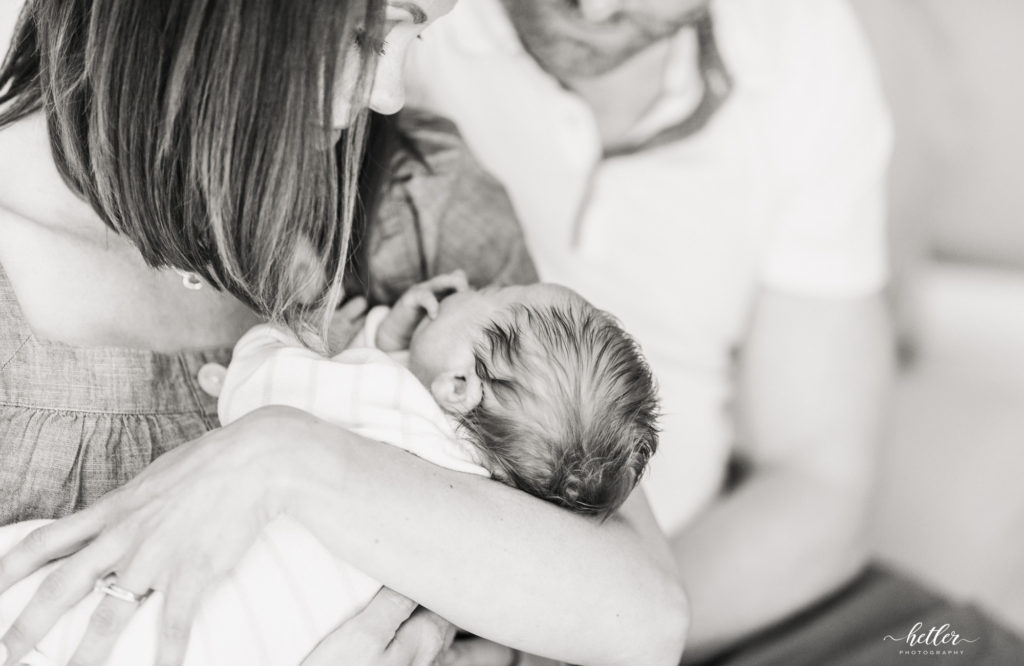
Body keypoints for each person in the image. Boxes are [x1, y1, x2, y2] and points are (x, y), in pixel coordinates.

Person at [0, 1, 688, 666]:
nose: (389, 93)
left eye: (419, 36)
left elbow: (646, 620)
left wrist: (285, 455)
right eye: (370, 33)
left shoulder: (420, 197)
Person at [405, 0, 894, 661]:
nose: (597, 7)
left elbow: (819, 487)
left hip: (701, 590)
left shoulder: (798, 40)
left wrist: (563, 645)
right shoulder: (405, 29)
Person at [0, 271, 661, 665]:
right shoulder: (491, 491)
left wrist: (293, 329)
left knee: (32, 593)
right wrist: (389, 347)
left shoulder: (384, 395)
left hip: (170, 624)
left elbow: (262, 389)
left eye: (490, 292)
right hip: (271, 643)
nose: (466, 285)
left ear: (460, 385)